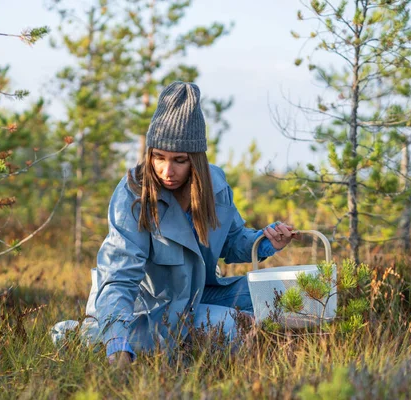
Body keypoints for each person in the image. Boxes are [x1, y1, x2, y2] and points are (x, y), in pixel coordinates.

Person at [51, 81, 296, 365]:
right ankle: (88, 335)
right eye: (159, 157)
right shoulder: (134, 195)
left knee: (281, 295)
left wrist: (265, 242)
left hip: (200, 294)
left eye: (180, 160)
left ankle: (208, 337)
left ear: (197, 160)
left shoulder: (215, 186)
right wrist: (117, 344)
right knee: (234, 326)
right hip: (148, 307)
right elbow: (119, 277)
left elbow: (231, 241)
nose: (168, 171)